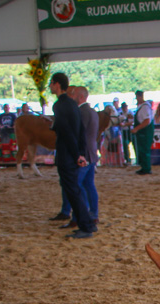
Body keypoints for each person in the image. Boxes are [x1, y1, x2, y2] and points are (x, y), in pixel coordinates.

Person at [49, 72, 95, 239]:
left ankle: (86, 226)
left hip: (66, 154)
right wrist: (81, 153)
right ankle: (88, 223)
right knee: (76, 190)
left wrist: (76, 154)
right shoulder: (73, 104)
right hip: (74, 153)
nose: (50, 86)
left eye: (52, 83)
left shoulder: (59, 106)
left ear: (57, 84)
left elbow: (67, 132)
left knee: (72, 191)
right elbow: (80, 131)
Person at [71, 86, 99, 226]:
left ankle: (79, 216)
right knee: (89, 185)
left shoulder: (81, 112)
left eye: (74, 94)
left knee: (77, 185)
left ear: (81, 96)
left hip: (84, 154)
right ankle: (93, 213)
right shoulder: (93, 111)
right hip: (92, 152)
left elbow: (78, 133)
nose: (72, 96)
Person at [131, 89, 153, 175]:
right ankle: (144, 167)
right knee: (142, 150)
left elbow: (147, 120)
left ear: (139, 97)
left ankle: (146, 168)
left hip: (145, 132)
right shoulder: (143, 106)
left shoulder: (145, 107)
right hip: (143, 132)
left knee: (144, 150)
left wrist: (137, 128)